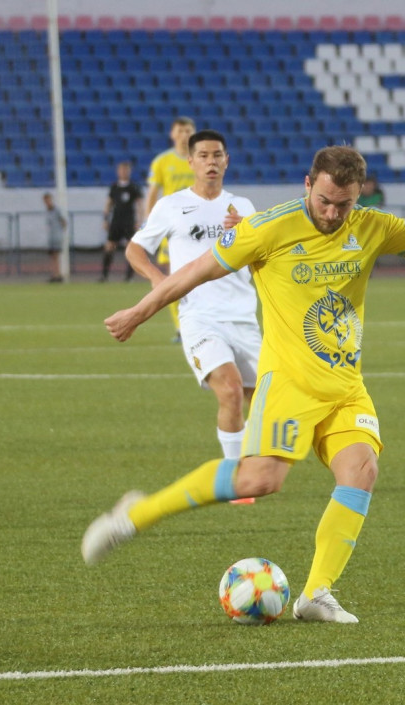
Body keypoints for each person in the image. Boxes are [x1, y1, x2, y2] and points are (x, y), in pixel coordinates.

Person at [82, 146, 405, 623]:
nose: (333, 213)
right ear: (307, 184)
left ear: (359, 195)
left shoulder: (372, 226)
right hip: (290, 383)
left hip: (345, 386)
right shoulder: (268, 228)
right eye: (325, 201)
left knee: (361, 470)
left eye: (345, 204)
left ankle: (316, 593)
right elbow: (193, 273)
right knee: (260, 480)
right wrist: (139, 312)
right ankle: (136, 515)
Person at [126, 129, 259, 502]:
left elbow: (264, 256)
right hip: (199, 317)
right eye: (203, 155)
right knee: (230, 390)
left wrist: (246, 234)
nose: (211, 162)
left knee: (263, 400)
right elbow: (135, 250)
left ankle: (254, 464)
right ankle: (235, 480)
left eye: (217, 155)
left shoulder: (243, 208)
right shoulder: (171, 206)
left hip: (244, 318)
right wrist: (159, 280)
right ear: (190, 162)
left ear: (227, 161)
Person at [145, 116, 197, 341]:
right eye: (180, 131)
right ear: (172, 134)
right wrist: (151, 225)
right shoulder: (162, 161)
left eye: (188, 130)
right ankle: (180, 327)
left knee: (202, 278)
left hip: (199, 227)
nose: (184, 135)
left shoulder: (200, 159)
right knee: (172, 279)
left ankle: (199, 322)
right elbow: (152, 193)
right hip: (173, 228)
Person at [100, 162, 143, 282]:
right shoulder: (114, 187)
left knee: (130, 248)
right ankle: (104, 275)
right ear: (118, 172)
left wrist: (139, 221)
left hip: (129, 221)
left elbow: (140, 204)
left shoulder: (134, 187)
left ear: (129, 172)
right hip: (116, 221)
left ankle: (129, 277)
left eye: (126, 170)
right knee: (109, 246)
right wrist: (105, 219)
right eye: (121, 170)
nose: (123, 172)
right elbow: (108, 204)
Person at [43, 192, 67, 283]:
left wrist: (60, 232)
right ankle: (54, 274)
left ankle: (58, 275)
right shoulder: (47, 211)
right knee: (52, 256)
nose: (47, 202)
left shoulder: (57, 210)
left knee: (56, 256)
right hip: (51, 236)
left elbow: (63, 222)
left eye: (48, 200)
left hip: (56, 236)